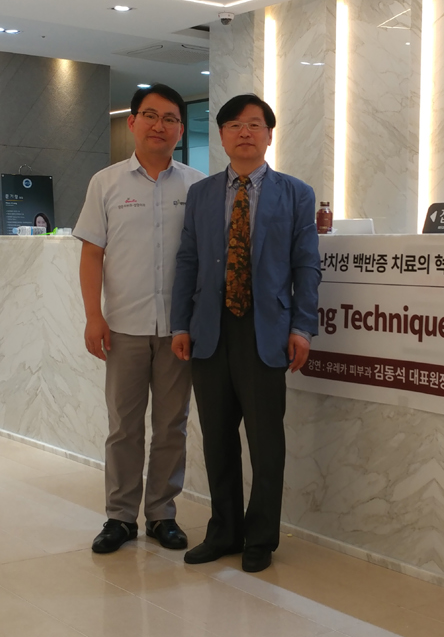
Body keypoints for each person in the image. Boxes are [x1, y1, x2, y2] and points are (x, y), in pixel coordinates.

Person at [170, 93, 321, 573]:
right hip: (209, 329)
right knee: (217, 440)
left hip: (267, 330)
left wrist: (303, 326)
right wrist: (180, 323)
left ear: (269, 135)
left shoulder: (295, 193)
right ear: (221, 136)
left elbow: (306, 265)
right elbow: (188, 261)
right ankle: (224, 531)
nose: (245, 132)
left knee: (265, 442)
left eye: (255, 124)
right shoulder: (201, 193)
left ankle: (261, 538)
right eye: (234, 124)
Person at [75, 84, 205, 554]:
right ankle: (120, 517)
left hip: (179, 331)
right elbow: (92, 254)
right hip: (124, 328)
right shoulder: (105, 183)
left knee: (171, 426)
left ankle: (162, 515)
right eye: (151, 116)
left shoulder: (197, 186)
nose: (160, 126)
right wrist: (94, 316)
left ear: (180, 129)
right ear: (132, 122)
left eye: (170, 118)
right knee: (124, 427)